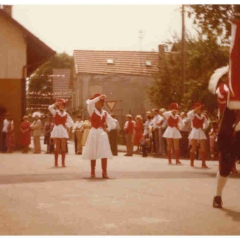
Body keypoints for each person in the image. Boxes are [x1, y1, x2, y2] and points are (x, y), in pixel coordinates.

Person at [82, 93, 116, 179]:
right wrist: (98, 97)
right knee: (93, 152)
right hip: (93, 132)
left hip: (102, 133)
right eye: (97, 101)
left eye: (100, 102)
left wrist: (108, 129)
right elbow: (89, 103)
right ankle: (92, 171)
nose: (98, 103)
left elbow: (112, 122)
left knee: (104, 151)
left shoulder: (105, 113)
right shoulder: (91, 109)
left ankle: (104, 172)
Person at [48, 99, 74, 167]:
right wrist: (55, 104)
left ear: (64, 106)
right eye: (60, 105)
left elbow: (71, 122)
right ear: (58, 106)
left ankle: (63, 162)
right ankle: (56, 162)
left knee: (63, 147)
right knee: (57, 147)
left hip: (63, 130)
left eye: (62, 105)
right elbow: (49, 107)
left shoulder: (66, 114)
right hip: (56, 130)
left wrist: (66, 125)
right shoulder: (55, 112)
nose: (61, 106)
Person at [187, 103, 209, 168]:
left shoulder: (203, 116)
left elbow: (207, 123)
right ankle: (192, 162)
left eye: (200, 109)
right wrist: (194, 110)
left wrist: (204, 127)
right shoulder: (193, 115)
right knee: (193, 147)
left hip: (200, 131)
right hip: (194, 131)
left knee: (203, 148)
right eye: (198, 109)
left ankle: (203, 163)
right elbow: (188, 114)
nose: (199, 110)